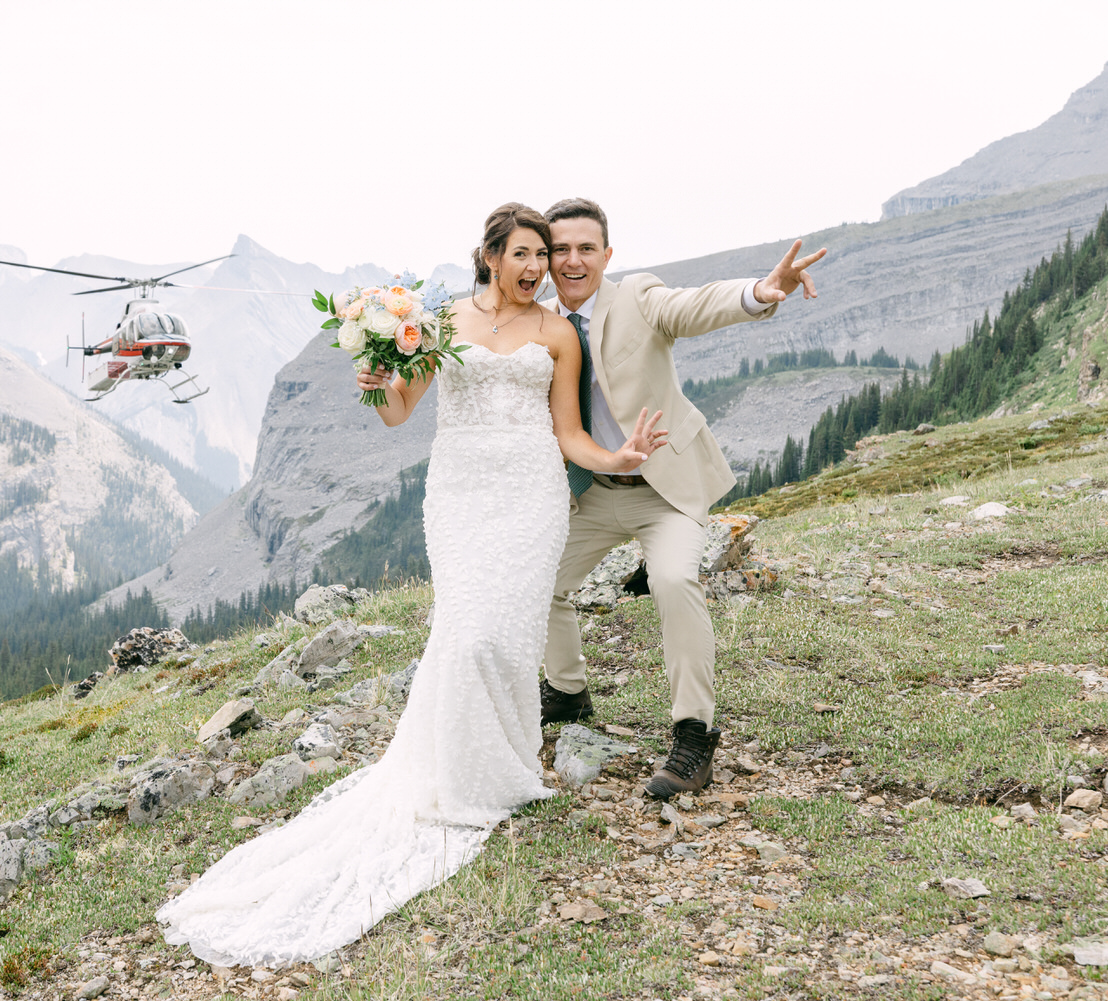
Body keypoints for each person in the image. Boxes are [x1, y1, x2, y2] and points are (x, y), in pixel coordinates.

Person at [156, 203, 667, 968]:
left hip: (530, 496)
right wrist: (374, 379)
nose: (537, 269)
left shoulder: (558, 334)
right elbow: (399, 414)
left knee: (503, 634)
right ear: (490, 256)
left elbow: (567, 434)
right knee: (465, 630)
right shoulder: (439, 323)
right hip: (458, 495)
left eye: (543, 256)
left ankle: (504, 762)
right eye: (524, 255)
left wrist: (620, 459)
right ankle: (461, 770)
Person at [535, 196, 825, 799]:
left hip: (662, 490)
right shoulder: (536, 321)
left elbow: (691, 306)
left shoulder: (637, 297)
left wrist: (759, 292)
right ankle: (565, 691)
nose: (572, 260)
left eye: (585, 248)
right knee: (536, 582)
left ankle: (694, 737)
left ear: (606, 254)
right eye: (560, 248)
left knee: (672, 581)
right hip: (590, 492)